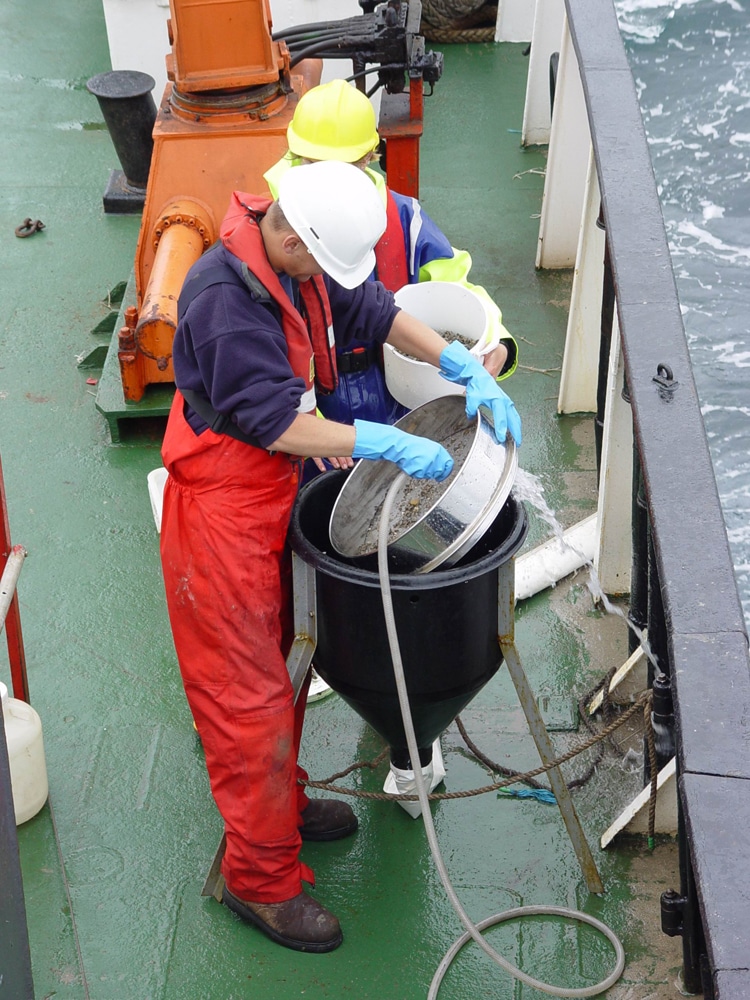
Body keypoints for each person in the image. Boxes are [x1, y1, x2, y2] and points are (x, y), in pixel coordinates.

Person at [159, 160, 521, 955]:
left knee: (291, 661)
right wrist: (381, 441)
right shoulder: (224, 303)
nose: (330, 279)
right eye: (320, 263)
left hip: (269, 499)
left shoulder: (301, 263)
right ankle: (256, 880)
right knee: (247, 700)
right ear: (286, 233)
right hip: (221, 516)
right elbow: (277, 425)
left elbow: (375, 310)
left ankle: (277, 813)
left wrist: (457, 362)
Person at [264, 78, 519, 431]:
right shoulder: (269, 225)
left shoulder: (405, 219)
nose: (332, 186)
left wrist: (497, 343)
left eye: (344, 169)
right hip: (304, 403)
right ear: (295, 155)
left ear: (369, 157)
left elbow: (457, 289)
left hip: (398, 393)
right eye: (317, 167)